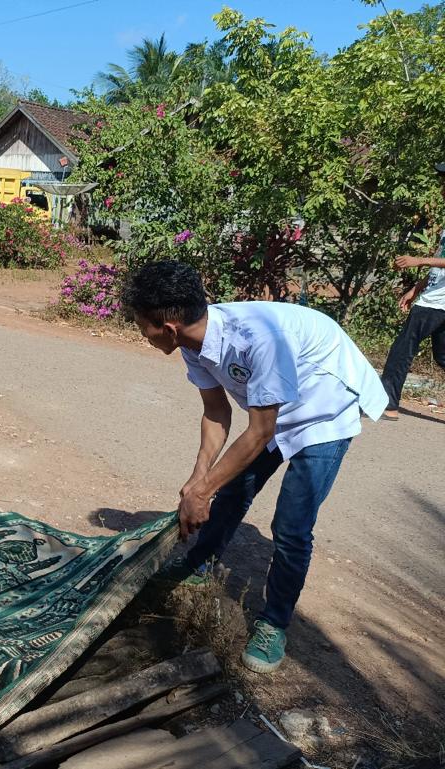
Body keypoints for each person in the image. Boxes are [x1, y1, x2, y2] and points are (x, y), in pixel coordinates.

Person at [121, 260, 387, 674]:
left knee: (291, 527)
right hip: (271, 410)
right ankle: (200, 562)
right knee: (232, 490)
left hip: (323, 411)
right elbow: (216, 412)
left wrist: (202, 491)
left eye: (142, 326)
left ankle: (274, 622)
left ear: (168, 327)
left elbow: (259, 431)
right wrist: (198, 479)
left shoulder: (259, 339)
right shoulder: (193, 342)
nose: (142, 335)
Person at [380, 161, 445, 421]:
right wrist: (417, 288)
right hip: (434, 297)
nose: (442, 187)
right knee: (442, 356)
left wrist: (419, 261)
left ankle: (388, 405)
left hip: (436, 303)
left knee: (402, 350)